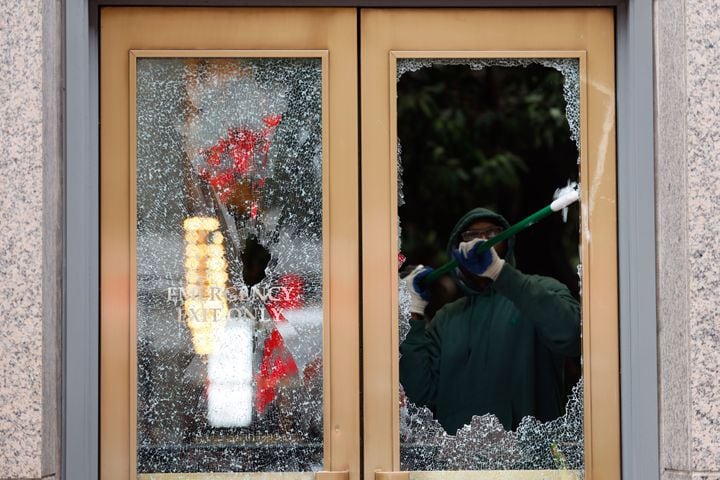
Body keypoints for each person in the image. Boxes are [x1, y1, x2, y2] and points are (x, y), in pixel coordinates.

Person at [400, 207, 581, 434]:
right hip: (457, 466)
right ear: (457, 252)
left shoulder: (544, 290)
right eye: (471, 236)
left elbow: (573, 336)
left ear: (507, 244)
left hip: (532, 466)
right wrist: (412, 313)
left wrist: (500, 272)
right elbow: (419, 399)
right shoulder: (445, 320)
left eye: (492, 234)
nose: (481, 241)